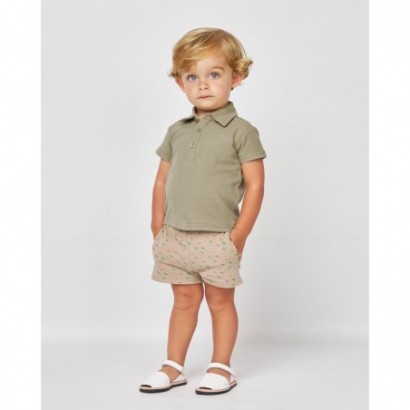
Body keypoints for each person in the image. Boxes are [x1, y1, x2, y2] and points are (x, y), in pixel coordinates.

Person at [139, 27, 266, 395]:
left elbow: (256, 186)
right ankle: (173, 365)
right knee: (183, 302)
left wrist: (239, 235)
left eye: (214, 74)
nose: (203, 84)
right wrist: (157, 224)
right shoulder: (176, 131)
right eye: (192, 77)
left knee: (220, 303)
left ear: (236, 77)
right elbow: (161, 180)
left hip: (218, 238)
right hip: (175, 237)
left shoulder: (242, 131)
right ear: (180, 83)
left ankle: (221, 366)